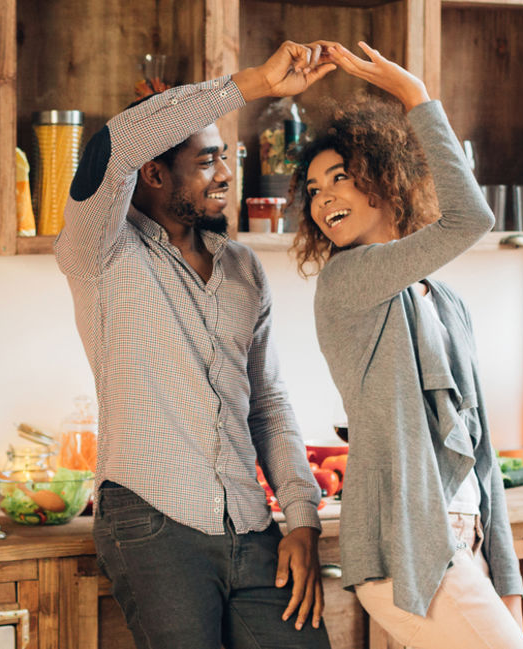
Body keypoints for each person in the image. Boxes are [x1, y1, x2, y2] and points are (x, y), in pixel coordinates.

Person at [55, 41, 337, 649]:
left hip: (252, 523)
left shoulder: (242, 269)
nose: (227, 175)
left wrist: (302, 517)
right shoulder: (100, 252)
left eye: (227, 157)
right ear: (153, 173)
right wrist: (254, 83)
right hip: (152, 521)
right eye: (207, 160)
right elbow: (115, 142)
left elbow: (268, 404)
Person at [290, 42, 523, 649]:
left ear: (384, 179)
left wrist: (507, 580)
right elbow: (472, 219)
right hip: (407, 551)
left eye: (340, 177)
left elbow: (480, 449)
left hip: (461, 542)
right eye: (314, 189)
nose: (323, 199)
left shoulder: (443, 301)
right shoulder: (349, 281)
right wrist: (417, 99)